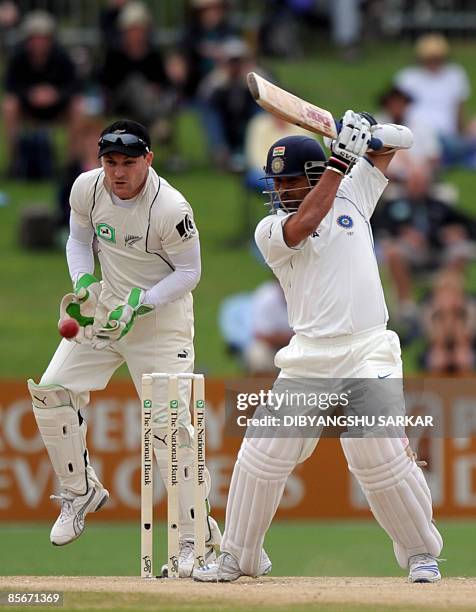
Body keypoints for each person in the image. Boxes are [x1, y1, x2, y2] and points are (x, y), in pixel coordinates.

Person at [194, 116, 443, 583]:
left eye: (291, 179)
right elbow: (304, 224)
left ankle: (420, 553)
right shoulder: (270, 231)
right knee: (263, 451)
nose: (283, 189)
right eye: (278, 181)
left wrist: (371, 131)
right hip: (309, 355)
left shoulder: (353, 194)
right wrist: (342, 158)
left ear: (314, 173)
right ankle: (239, 556)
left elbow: (399, 142)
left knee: (375, 450)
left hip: (369, 348)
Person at [27, 119, 221, 577]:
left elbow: (190, 273)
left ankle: (197, 540)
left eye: (129, 163)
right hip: (105, 311)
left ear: (148, 160)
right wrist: (84, 284)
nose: (118, 172)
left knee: (169, 430)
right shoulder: (86, 189)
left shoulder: (171, 207)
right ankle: (80, 492)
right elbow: (78, 240)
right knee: (51, 391)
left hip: (161, 324)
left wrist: (143, 302)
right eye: (110, 162)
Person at [2, 10, 84, 177]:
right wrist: (30, 94)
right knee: (9, 105)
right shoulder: (19, 58)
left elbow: (75, 85)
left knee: (78, 106)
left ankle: (72, 163)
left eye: (43, 38)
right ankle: (16, 161)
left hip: (57, 108)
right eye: (34, 38)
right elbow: (10, 86)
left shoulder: (62, 57)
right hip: (28, 108)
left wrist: (56, 94)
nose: (38, 43)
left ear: (50, 39)